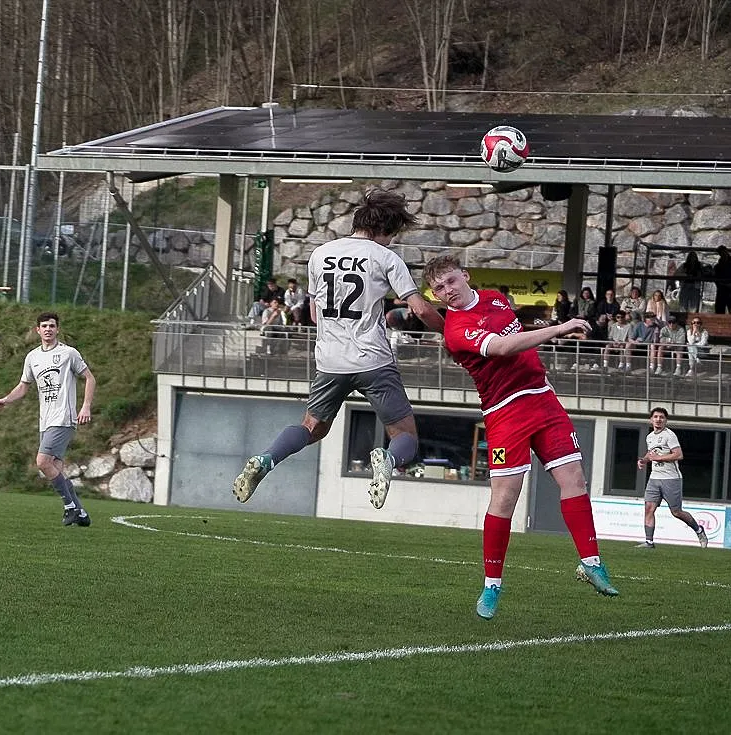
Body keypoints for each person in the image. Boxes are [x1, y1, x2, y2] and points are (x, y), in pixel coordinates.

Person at [422, 255, 618, 620]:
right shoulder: (456, 329)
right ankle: (492, 584)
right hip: (504, 413)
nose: (447, 290)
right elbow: (502, 347)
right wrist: (559, 328)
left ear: (465, 276)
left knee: (574, 479)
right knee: (505, 497)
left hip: (543, 399)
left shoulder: (496, 298)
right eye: (439, 289)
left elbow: (517, 339)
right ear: (436, 295)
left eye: (450, 281)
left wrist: (540, 351)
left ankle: (592, 563)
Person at [232, 188, 445, 511]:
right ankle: (388, 459)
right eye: (392, 234)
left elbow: (314, 313)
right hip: (373, 359)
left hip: (330, 362)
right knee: (405, 436)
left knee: (311, 428)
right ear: (384, 229)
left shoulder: (320, 254)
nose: (391, 241)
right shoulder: (385, 257)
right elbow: (420, 309)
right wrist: (452, 334)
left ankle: (267, 458)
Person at [0, 312, 96, 527]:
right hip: (45, 421)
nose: (48, 329)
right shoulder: (32, 357)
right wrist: (5, 400)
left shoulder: (68, 353)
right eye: (44, 326)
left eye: (52, 326)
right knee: (55, 467)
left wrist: (85, 406)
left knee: (42, 462)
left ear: (57, 329)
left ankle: (70, 507)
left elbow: (90, 378)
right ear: (37, 330)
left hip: (63, 418)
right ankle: (81, 514)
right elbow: (23, 386)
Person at [637, 407, 707, 549]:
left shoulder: (669, 435)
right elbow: (651, 453)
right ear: (651, 420)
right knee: (649, 508)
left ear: (665, 420)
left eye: (661, 417)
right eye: (655, 417)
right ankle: (649, 542)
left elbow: (678, 455)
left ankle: (699, 530)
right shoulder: (649, 437)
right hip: (654, 478)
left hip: (671, 478)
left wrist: (659, 458)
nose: (658, 419)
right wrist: (644, 460)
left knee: (676, 512)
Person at [714, 245, 731, 314]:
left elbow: (716, 278)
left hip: (722, 289)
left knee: (719, 309)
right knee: (719, 309)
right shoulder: (718, 266)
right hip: (723, 289)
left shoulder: (718, 266)